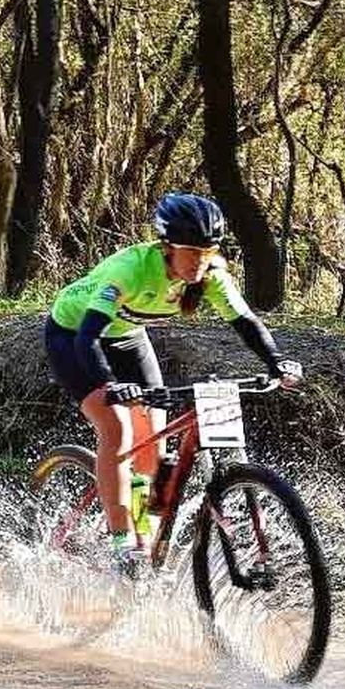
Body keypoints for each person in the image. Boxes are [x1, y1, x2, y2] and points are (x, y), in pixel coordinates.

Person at [43, 192, 302, 573]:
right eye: (191, 252)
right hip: (73, 334)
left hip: (129, 336)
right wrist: (111, 384)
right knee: (118, 428)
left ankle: (140, 522)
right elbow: (88, 338)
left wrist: (276, 361)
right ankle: (123, 546)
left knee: (155, 447)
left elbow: (245, 323)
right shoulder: (129, 270)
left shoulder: (211, 274)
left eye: (208, 251)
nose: (200, 261)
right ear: (167, 247)